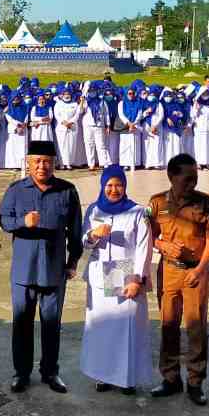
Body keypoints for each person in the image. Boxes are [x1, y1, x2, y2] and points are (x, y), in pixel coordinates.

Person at [0, 140, 82, 393]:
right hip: (24, 272)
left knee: (51, 324)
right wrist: (22, 221)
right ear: (28, 163)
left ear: (54, 163)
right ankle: (21, 373)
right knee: (22, 323)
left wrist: (72, 261)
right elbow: (3, 219)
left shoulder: (67, 190)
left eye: (47, 161)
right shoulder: (16, 190)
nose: (41, 166)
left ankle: (50, 372)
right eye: (36, 161)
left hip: (54, 271)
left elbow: (75, 231)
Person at [146, 153, 209, 405]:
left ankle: (195, 381)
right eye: (187, 179)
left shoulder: (205, 204)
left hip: (196, 272)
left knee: (196, 327)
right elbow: (150, 236)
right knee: (168, 324)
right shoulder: (157, 203)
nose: (192, 185)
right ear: (171, 176)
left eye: (195, 179)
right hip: (168, 270)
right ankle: (170, 378)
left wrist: (200, 268)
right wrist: (162, 246)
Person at [79, 165, 153, 394]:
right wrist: (93, 235)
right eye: (109, 185)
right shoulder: (93, 210)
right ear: (102, 186)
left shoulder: (138, 212)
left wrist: (137, 279)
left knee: (126, 329)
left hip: (127, 274)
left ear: (125, 186)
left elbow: (144, 247)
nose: (114, 190)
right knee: (103, 326)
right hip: (101, 275)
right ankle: (103, 375)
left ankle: (126, 378)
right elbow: (83, 241)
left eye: (118, 185)